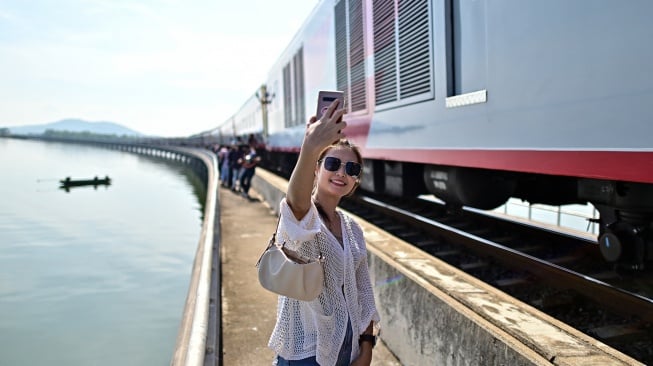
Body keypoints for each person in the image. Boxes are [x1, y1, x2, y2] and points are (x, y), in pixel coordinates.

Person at [268, 99, 380, 366]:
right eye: (332, 164)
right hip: (304, 351)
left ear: (355, 182)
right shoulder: (304, 219)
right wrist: (310, 148)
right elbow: (295, 202)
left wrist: (366, 347)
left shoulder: (353, 229)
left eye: (351, 169)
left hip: (348, 348)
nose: (342, 172)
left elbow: (364, 292)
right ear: (317, 169)